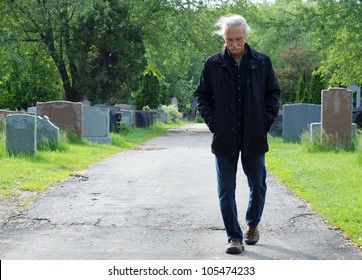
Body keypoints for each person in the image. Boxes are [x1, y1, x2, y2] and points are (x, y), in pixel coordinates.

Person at [195, 14, 280, 254]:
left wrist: (264, 121)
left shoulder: (262, 62)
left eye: (238, 39)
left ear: (246, 36)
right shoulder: (213, 63)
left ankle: (252, 224)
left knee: (258, 185)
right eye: (229, 39)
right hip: (225, 136)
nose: (234, 44)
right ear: (223, 38)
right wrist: (214, 122)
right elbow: (202, 95)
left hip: (254, 134)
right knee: (225, 190)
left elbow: (272, 94)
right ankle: (234, 237)